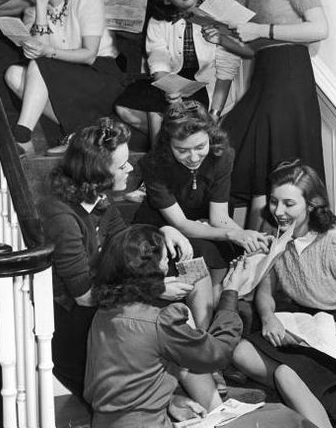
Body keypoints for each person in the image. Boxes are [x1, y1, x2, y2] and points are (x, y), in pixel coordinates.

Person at [37, 118, 194, 404]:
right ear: (99, 172)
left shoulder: (98, 200)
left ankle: (184, 392)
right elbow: (84, 297)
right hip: (75, 332)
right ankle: (172, 396)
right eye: (122, 165)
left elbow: (124, 244)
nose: (131, 168)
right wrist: (154, 289)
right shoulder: (62, 216)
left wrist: (163, 229)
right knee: (156, 311)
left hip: (98, 314)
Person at [232, 160, 336, 428]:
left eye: (289, 204)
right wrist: (268, 318)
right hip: (307, 319)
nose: (279, 211)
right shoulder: (277, 234)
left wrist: (321, 332)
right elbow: (265, 290)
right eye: (274, 201)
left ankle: (323, 410)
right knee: (241, 353)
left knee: (287, 374)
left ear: (312, 204)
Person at [213, 0, 328, 229]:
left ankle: (263, 258)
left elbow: (319, 28)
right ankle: (253, 255)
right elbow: (253, 48)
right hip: (265, 74)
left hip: (289, 74)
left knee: (278, 169)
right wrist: (224, 37)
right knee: (242, 153)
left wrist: (261, 31)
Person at [84, 223, 246, 427]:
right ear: (150, 269)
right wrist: (230, 294)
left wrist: (169, 401)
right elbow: (218, 353)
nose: (168, 261)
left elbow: (116, 388)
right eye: (164, 257)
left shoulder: (104, 312)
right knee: (282, 418)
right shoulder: (159, 322)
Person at [134, 100, 270, 328]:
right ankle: (203, 330)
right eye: (182, 150)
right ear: (168, 144)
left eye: (200, 147)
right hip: (163, 227)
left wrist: (247, 235)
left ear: (211, 136)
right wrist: (231, 234)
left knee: (229, 249)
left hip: (202, 224)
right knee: (203, 251)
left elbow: (219, 218)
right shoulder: (154, 164)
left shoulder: (222, 155)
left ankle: (214, 321)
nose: (194, 157)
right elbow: (181, 224)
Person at [4, 0, 126, 155]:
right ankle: (78, 133)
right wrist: (41, 7)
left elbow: (89, 55)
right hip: (62, 78)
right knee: (14, 73)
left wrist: (47, 52)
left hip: (101, 76)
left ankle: (22, 136)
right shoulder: (33, 11)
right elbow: (36, 54)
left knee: (41, 64)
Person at [115, 0, 241, 142]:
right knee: (125, 107)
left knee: (156, 108)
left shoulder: (221, 11)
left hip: (208, 86)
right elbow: (158, 57)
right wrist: (169, 88)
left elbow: (228, 67)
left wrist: (215, 113)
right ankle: (169, 145)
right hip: (174, 79)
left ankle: (166, 148)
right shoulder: (159, 21)